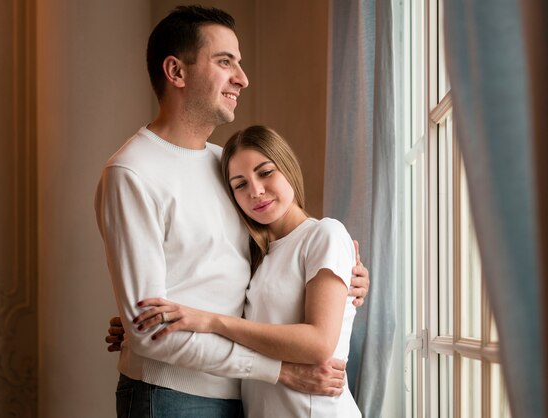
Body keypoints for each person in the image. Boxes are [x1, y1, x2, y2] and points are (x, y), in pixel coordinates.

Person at [95, 5, 369, 418]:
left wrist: (342, 277)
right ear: (177, 72)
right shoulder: (131, 172)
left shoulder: (227, 165)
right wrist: (278, 371)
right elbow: (151, 332)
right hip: (172, 396)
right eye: (225, 62)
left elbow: (260, 257)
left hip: (246, 396)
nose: (242, 78)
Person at [133, 125, 362, 417]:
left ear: (288, 167)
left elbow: (318, 344)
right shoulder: (258, 257)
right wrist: (140, 321)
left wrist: (212, 322)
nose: (255, 191)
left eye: (265, 172)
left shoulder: (325, 234)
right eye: (240, 185)